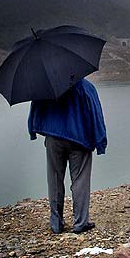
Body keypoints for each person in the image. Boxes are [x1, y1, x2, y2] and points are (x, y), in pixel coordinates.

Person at [28, 78, 107, 234]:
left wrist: (33, 129)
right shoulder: (86, 87)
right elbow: (96, 114)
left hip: (54, 138)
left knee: (55, 179)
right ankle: (80, 223)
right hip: (80, 139)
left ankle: (56, 224)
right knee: (80, 181)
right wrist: (100, 141)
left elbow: (35, 109)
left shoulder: (45, 87)